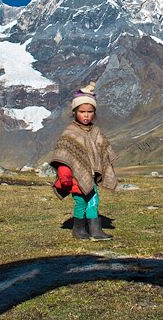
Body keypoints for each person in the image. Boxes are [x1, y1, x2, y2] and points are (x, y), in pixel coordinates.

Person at [51, 82, 119, 241]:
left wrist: (105, 167)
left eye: (90, 112)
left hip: (91, 177)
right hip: (75, 179)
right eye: (82, 111)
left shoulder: (95, 131)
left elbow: (102, 151)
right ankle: (78, 229)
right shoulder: (70, 133)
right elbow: (64, 156)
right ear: (75, 112)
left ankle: (95, 230)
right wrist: (65, 177)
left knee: (93, 201)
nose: (86, 115)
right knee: (81, 203)